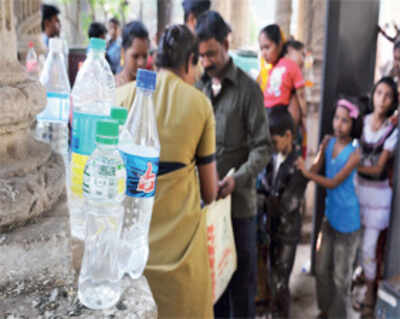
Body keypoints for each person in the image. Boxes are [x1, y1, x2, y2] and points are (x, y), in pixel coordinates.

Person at [116, 24, 218, 318]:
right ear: (189, 62)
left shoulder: (121, 97)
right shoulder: (199, 104)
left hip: (129, 259)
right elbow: (210, 193)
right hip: (182, 262)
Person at [195, 11, 272, 318]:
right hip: (205, 210)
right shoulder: (197, 88)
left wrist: (236, 180)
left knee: (241, 291)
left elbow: (262, 148)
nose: (206, 62)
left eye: (211, 53)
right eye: (200, 56)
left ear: (227, 44)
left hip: (239, 210)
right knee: (211, 293)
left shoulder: (248, 91)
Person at [296, 98, 363, 319]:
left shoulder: (355, 153)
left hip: (348, 224)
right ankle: (325, 310)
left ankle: (337, 316)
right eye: (336, 118)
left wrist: (307, 174)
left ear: (353, 124)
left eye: (344, 120)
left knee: (341, 278)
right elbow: (316, 167)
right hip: (330, 218)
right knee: (322, 269)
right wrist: (313, 161)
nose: (338, 124)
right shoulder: (329, 143)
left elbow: (333, 182)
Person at [257, 107, 308, 318]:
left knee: (281, 280)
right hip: (272, 227)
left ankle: (281, 314)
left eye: (274, 141)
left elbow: (287, 204)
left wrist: (260, 200)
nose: (271, 146)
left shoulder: (298, 167)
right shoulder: (272, 157)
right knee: (271, 273)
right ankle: (274, 311)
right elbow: (263, 186)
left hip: (286, 233)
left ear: (288, 136)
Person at [355, 77, 399, 317]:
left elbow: (379, 168)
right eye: (379, 92)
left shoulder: (391, 131)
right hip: (357, 193)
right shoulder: (360, 123)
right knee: (356, 245)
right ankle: (361, 283)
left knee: (370, 248)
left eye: (388, 95)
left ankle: (371, 291)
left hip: (378, 198)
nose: (381, 99)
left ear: (393, 101)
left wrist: (352, 167)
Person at [258, 24, 306, 122]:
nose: (264, 53)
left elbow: (301, 93)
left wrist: (304, 114)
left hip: (281, 115)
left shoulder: (291, 66)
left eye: (267, 47)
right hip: (267, 114)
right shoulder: (270, 70)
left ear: (279, 45)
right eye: (261, 49)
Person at [115, 21, 150, 87]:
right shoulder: (113, 87)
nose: (141, 63)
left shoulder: (149, 89)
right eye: (135, 56)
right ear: (123, 52)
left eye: (145, 56)